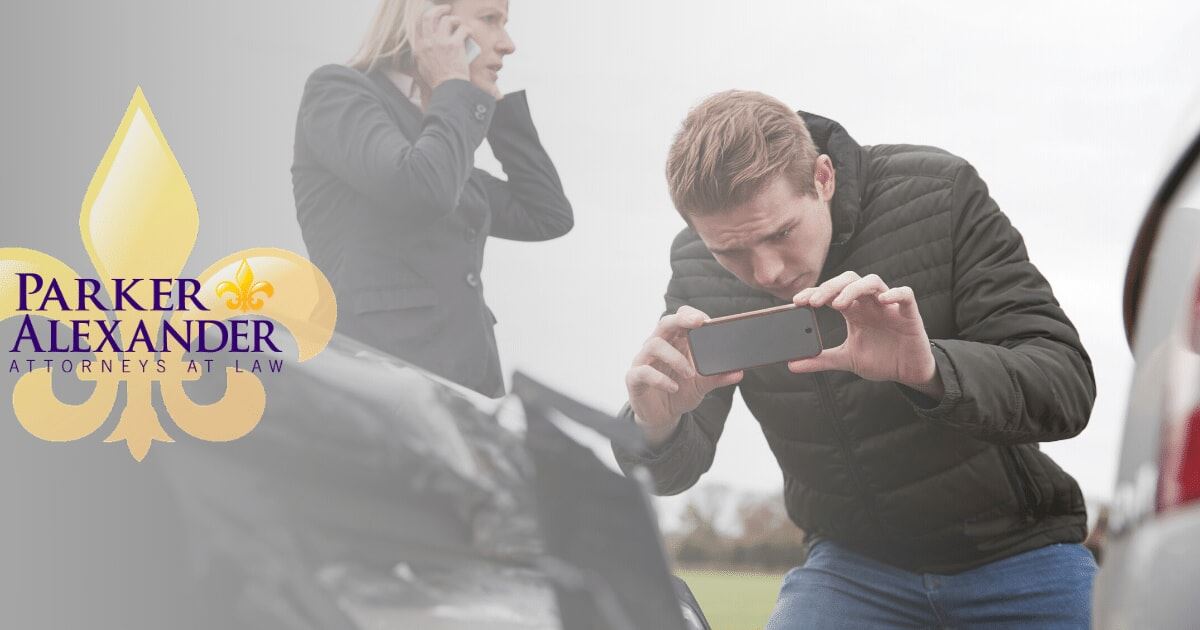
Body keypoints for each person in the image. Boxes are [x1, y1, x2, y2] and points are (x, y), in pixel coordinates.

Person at [612, 91, 1098, 628]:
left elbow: (1066, 386)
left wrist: (929, 370)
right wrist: (655, 426)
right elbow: (671, 473)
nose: (767, 271)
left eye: (781, 233)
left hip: (1018, 551)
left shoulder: (940, 194)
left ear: (822, 178)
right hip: (851, 569)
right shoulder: (698, 270)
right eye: (731, 251)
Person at [292, 0, 572, 397]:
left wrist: (493, 106)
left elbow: (546, 214)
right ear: (429, 21)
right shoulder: (337, 90)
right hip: (382, 390)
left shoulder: (441, 143)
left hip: (469, 392)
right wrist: (455, 89)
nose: (508, 44)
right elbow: (422, 189)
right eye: (491, 19)